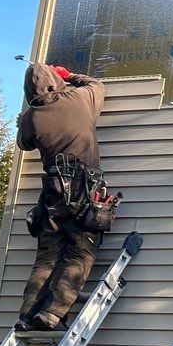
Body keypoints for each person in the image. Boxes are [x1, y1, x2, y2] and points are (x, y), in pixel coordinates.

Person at [16, 62, 108, 331]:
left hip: (52, 192)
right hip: (84, 187)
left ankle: (26, 314)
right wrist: (68, 75)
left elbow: (25, 143)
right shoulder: (78, 99)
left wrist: (23, 120)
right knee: (81, 250)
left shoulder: (31, 117)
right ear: (56, 82)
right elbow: (97, 85)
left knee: (47, 256)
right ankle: (52, 313)